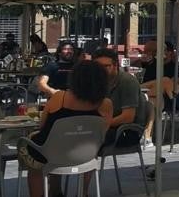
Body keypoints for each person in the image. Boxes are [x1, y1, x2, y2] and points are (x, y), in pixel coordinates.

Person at [19, 60, 112, 197]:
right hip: (85, 155)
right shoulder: (106, 104)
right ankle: (61, 192)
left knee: (35, 156)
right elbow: (102, 132)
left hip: (50, 154)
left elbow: (42, 126)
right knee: (55, 148)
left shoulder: (60, 97)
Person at [93, 48, 142, 148]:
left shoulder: (127, 81)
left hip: (126, 131)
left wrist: (101, 126)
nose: (101, 69)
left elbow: (128, 117)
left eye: (106, 66)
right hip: (107, 127)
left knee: (85, 138)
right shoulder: (98, 80)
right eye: (97, 66)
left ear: (115, 66)